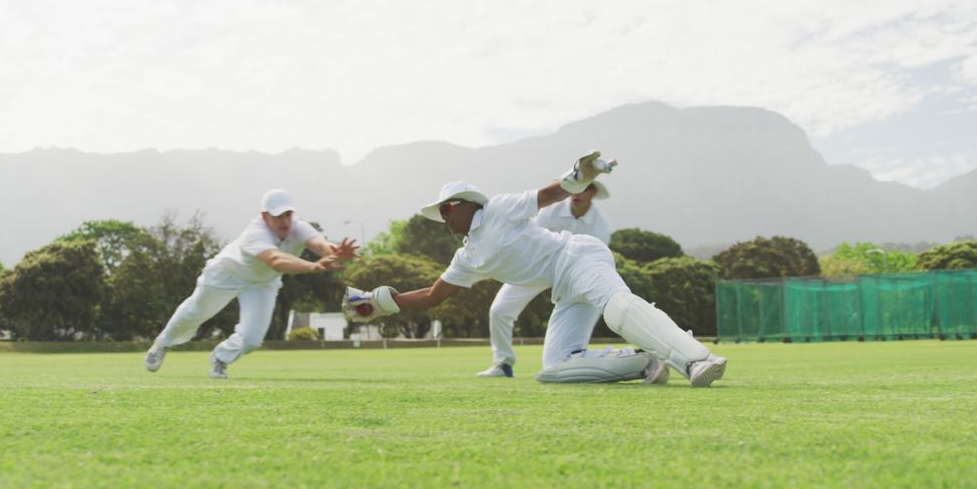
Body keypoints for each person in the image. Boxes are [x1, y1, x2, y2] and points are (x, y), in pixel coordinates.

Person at [343, 152, 727, 386]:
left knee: (618, 308)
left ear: (465, 204)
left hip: (579, 257)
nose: (442, 217)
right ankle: (647, 361)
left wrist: (579, 177)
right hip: (563, 288)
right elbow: (431, 296)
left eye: (446, 208)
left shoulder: (498, 209)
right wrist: (381, 303)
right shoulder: (466, 257)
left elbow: (551, 194)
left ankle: (696, 360)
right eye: (439, 212)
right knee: (554, 369)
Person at [145, 189, 358, 378]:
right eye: (278, 216)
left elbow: (320, 245)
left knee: (252, 339)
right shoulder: (255, 233)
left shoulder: (298, 227)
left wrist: (336, 252)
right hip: (227, 273)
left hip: (262, 283)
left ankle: (221, 359)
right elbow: (276, 261)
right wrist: (313, 267)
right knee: (196, 312)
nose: (285, 221)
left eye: (288, 214)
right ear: (265, 216)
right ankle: (163, 342)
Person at [477, 180, 612, 378]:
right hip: (537, 267)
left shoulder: (600, 227)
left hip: (575, 277)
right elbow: (529, 238)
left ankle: (576, 359)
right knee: (499, 310)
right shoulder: (550, 212)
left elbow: (595, 262)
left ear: (593, 193)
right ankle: (503, 364)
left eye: (586, 188)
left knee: (581, 319)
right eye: (578, 187)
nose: (579, 192)